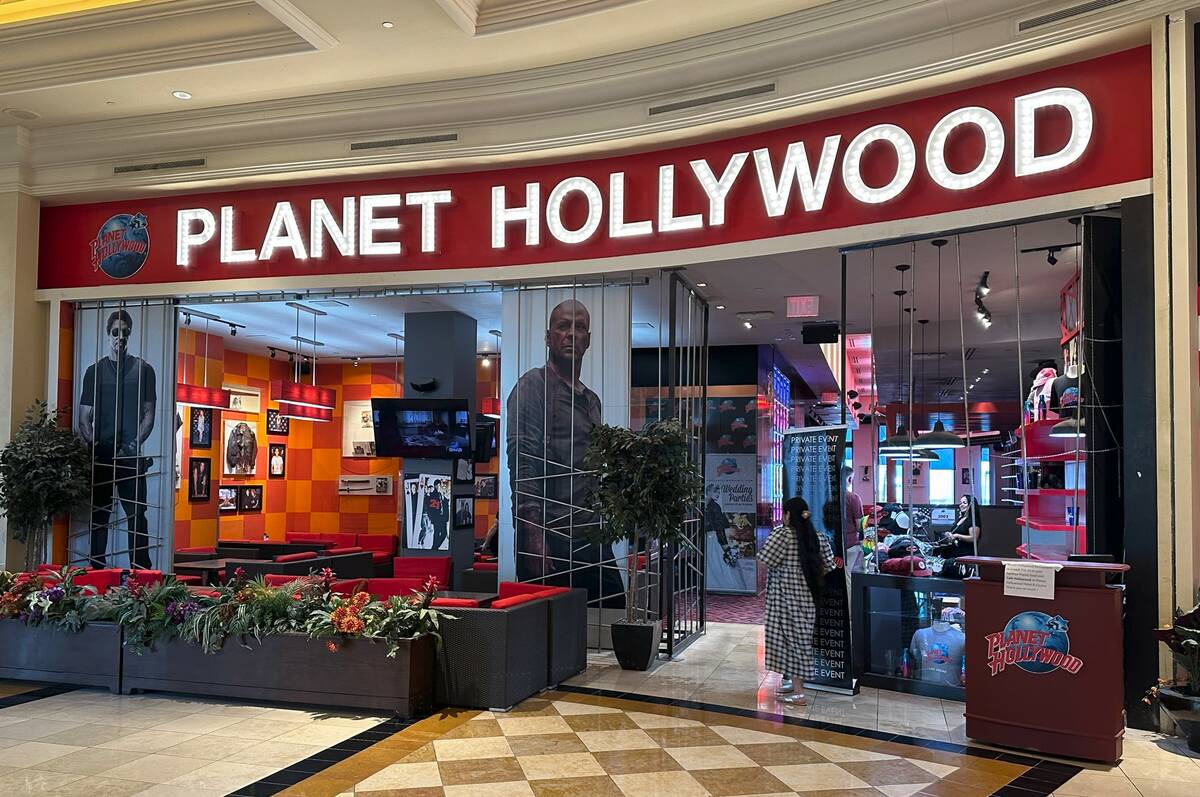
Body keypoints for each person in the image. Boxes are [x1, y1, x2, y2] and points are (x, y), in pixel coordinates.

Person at [506, 298, 624, 605]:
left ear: (588, 340)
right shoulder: (533, 386)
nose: (571, 334)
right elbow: (523, 464)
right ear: (548, 337)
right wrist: (532, 535)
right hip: (551, 536)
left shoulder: (592, 400)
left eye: (580, 327)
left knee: (612, 616)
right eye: (563, 326)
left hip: (591, 536)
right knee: (551, 635)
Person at [76, 309, 157, 569]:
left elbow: (149, 414)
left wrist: (134, 444)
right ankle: (96, 570)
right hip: (102, 457)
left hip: (130, 456)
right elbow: (83, 418)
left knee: (137, 516)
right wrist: (94, 444)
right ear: (108, 335)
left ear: (130, 335)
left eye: (125, 333)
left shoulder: (144, 370)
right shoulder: (94, 372)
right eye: (115, 332)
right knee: (100, 516)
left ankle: (141, 572)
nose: (119, 337)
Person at [759, 496, 836, 705]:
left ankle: (800, 693)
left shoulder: (782, 534)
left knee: (789, 643)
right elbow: (829, 565)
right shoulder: (817, 537)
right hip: (808, 598)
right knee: (800, 641)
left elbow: (765, 559)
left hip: (783, 598)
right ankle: (795, 684)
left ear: (788, 514)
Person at [937, 494, 983, 578]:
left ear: (970, 505)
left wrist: (958, 535)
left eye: (964, 503)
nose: (961, 505)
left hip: (965, 555)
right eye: (961, 502)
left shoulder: (973, 520)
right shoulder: (960, 519)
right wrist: (950, 535)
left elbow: (973, 538)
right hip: (954, 553)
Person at [842, 466, 865, 572]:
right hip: (850, 545)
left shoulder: (828, 498)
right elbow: (859, 525)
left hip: (832, 545)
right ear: (850, 479)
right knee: (852, 577)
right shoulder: (853, 498)